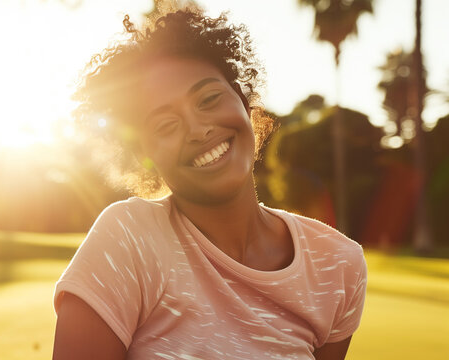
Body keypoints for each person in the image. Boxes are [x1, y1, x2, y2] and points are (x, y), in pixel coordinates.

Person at [52, 6, 367, 360]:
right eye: (166, 125)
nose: (199, 130)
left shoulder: (339, 264)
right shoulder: (129, 237)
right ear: (147, 155)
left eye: (209, 99)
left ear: (244, 102)